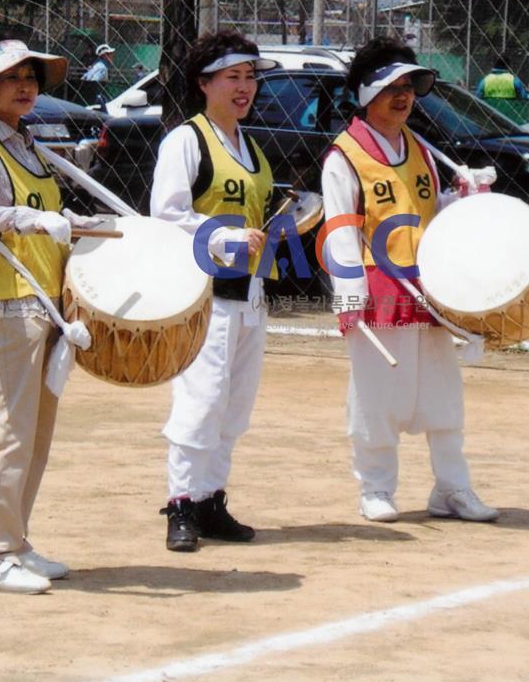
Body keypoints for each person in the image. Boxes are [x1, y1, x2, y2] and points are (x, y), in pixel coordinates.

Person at [319, 36, 499, 526]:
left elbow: (429, 211)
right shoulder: (345, 156)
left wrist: (464, 197)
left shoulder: (419, 147)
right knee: (378, 396)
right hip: (377, 289)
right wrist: (349, 294)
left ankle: (452, 487)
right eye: (390, 87)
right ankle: (375, 488)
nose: (403, 96)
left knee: (444, 394)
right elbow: (340, 227)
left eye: (409, 86)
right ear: (363, 95)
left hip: (429, 285)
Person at [0, 30, 101, 595]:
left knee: (35, 434)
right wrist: (25, 219)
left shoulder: (27, 144)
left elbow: (45, 216)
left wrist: (72, 224)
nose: (26, 86)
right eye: (13, 77)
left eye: (31, 76)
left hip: (46, 305)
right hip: (4, 304)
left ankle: (14, 542)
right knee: (9, 431)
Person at [149, 30, 279, 552]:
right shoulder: (187, 140)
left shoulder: (253, 148)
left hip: (249, 292)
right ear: (204, 83)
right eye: (233, 77)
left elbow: (259, 217)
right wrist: (226, 236)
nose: (244, 87)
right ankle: (179, 503)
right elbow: (166, 215)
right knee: (200, 402)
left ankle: (210, 499)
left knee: (234, 406)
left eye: (250, 77)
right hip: (203, 294)